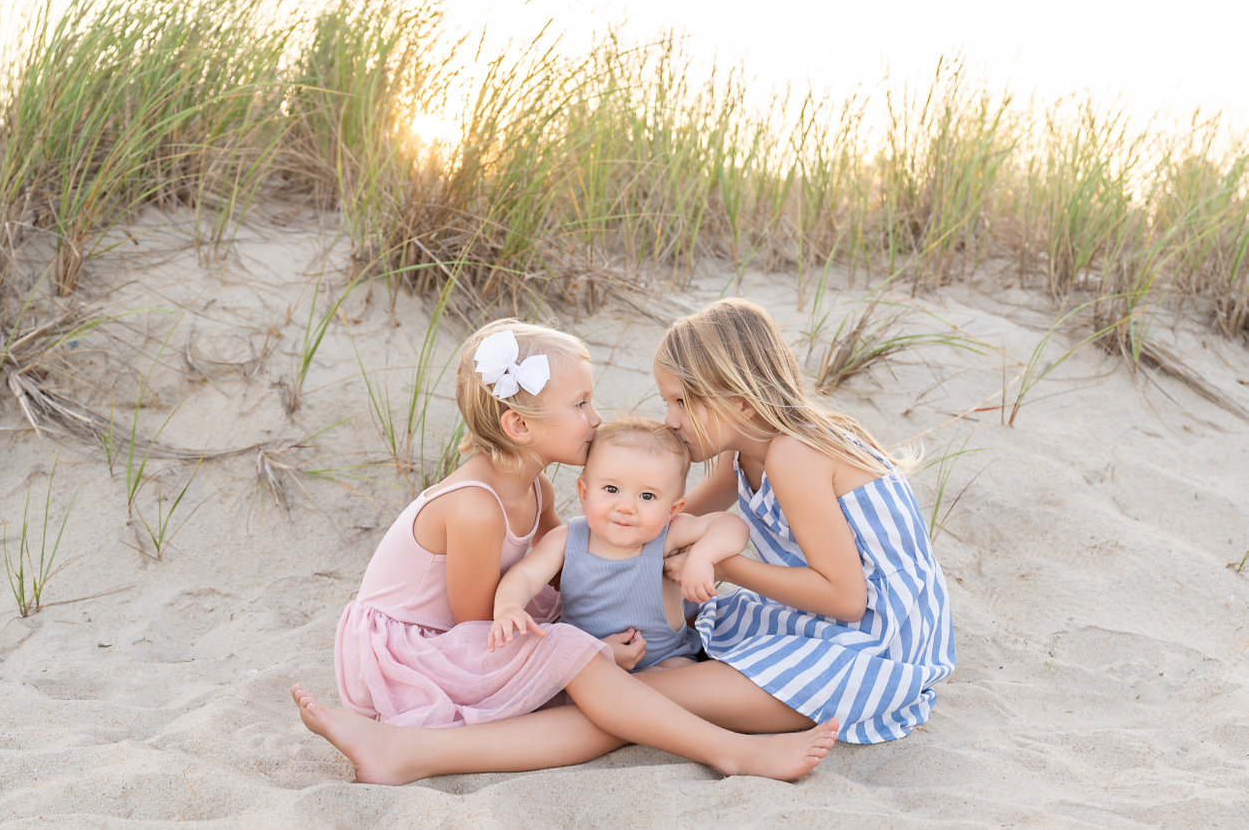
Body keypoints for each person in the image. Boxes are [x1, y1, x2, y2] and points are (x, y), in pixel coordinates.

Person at [294, 317, 838, 783]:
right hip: (413, 655)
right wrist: (590, 650)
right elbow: (479, 627)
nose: (596, 418)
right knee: (582, 663)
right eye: (580, 404)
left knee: (596, 661)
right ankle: (731, 751)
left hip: (466, 634)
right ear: (518, 425)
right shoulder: (476, 507)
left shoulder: (536, 487)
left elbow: (570, 570)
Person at [655, 297, 955, 744]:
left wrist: (723, 566)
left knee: (646, 694)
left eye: (681, 402)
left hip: (879, 645)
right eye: (666, 401)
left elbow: (846, 598)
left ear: (740, 402)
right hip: (823, 619)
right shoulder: (742, 453)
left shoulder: (794, 453)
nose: (669, 420)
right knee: (665, 653)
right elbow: (668, 524)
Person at [489, 416, 747, 672]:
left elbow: (731, 525)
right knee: (574, 681)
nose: (626, 507)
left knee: (683, 677)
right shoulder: (568, 539)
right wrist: (509, 607)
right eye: (611, 489)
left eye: (647, 496)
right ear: (584, 493)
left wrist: (702, 557)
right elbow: (524, 576)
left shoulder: (667, 536)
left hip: (664, 658)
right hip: (587, 663)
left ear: (672, 510)